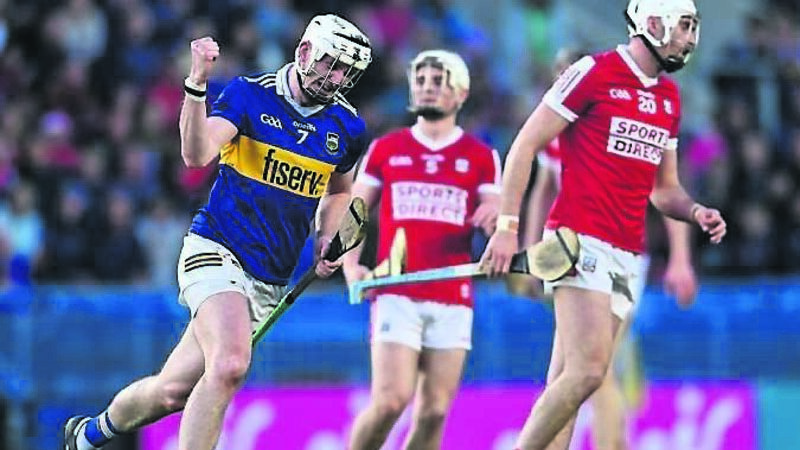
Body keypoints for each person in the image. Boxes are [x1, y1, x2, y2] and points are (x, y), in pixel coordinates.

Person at [63, 14, 372, 450]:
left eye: (346, 71)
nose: (336, 77)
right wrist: (196, 85)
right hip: (216, 249)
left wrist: (326, 235)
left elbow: (339, 191)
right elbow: (196, 154)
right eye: (330, 64)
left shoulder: (347, 126)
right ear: (305, 52)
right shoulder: (250, 94)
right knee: (229, 365)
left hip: (269, 278)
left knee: (171, 391)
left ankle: (87, 435)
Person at [480, 1, 727, 449]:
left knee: (569, 385)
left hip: (627, 255)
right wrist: (507, 229)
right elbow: (524, 145)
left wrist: (694, 211)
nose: (691, 38)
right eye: (685, 26)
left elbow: (664, 190)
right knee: (590, 372)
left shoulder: (670, 98)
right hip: (579, 241)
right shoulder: (593, 72)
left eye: (694, 27)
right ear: (653, 22)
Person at [521, 47, 699, 450]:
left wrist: (681, 259)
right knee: (569, 373)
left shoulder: (624, 119)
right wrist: (531, 247)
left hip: (621, 255)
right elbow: (543, 193)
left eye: (571, 74)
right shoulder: (556, 134)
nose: (565, 83)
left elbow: (666, 192)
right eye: (559, 75)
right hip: (572, 250)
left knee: (592, 371)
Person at [343, 49, 501, 450]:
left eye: (438, 81)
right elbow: (356, 210)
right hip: (397, 292)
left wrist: (494, 221)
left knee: (434, 412)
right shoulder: (387, 148)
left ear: (461, 93)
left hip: (453, 295)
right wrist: (351, 265)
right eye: (421, 80)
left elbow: (496, 216)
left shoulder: (482, 157)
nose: (427, 87)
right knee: (390, 401)